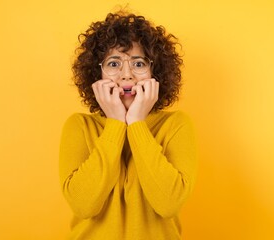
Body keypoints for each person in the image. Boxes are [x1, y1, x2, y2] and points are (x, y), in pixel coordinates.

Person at [59, 10, 198, 240]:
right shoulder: (79, 126)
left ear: (156, 72)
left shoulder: (176, 125)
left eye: (139, 63)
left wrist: (136, 123)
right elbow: (84, 206)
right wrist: (115, 123)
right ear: (97, 72)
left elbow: (168, 204)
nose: (127, 76)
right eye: (113, 63)